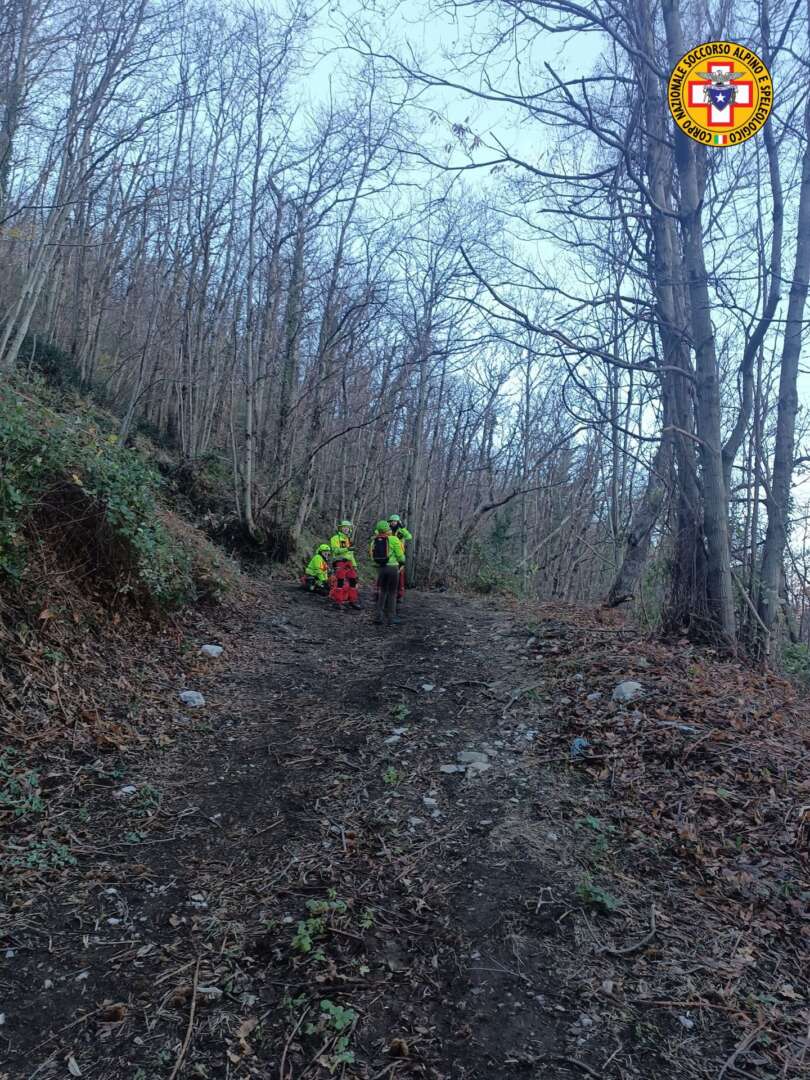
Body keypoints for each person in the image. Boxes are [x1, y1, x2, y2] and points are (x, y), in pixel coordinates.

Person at [368, 520, 405, 626]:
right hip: (393, 569)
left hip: (381, 569)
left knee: (382, 591)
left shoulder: (374, 540)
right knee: (392, 593)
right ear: (387, 528)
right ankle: (391, 618)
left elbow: (372, 556)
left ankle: (378, 617)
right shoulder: (394, 539)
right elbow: (400, 556)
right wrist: (402, 561)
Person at [329, 519, 362, 611]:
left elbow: (351, 554)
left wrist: (354, 565)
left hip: (349, 563)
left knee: (353, 581)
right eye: (344, 528)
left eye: (347, 528)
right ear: (341, 528)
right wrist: (347, 548)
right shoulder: (335, 538)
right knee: (339, 582)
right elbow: (335, 550)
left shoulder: (349, 540)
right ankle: (338, 602)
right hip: (339, 562)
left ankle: (352, 601)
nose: (346, 529)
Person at [386, 514, 412, 610]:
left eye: (395, 521)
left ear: (398, 522)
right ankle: (387, 594)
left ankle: (400, 595)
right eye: (392, 521)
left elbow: (409, 537)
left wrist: (403, 529)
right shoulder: (386, 529)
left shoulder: (401, 530)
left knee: (400, 576)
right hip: (389, 556)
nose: (393, 523)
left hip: (399, 555)